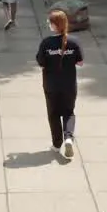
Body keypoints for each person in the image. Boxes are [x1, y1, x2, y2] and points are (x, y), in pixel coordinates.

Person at [37, 9, 84, 159]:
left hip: (51, 85)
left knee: (53, 114)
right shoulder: (74, 42)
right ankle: (68, 138)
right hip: (69, 85)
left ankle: (57, 144)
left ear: (54, 25)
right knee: (69, 112)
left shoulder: (46, 43)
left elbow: (41, 63)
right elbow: (81, 62)